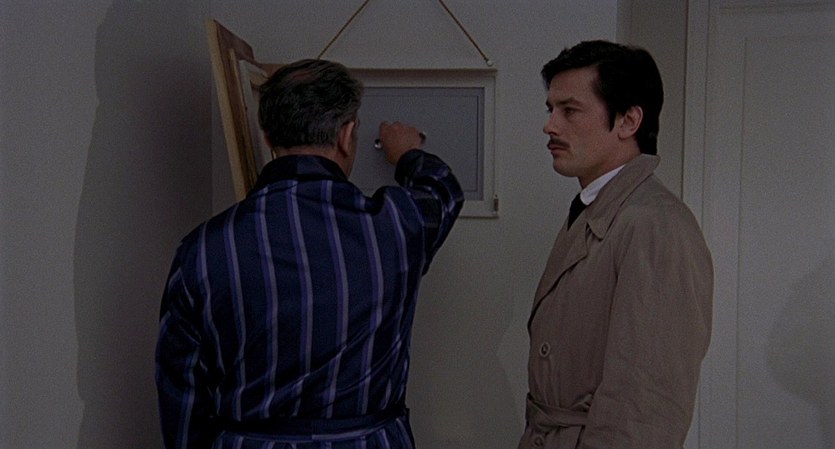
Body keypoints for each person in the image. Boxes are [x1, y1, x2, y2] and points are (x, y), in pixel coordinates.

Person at [155, 58, 463, 449]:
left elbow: (181, 393)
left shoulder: (203, 249)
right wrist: (407, 153)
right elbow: (442, 190)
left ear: (268, 137)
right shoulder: (395, 227)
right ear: (346, 135)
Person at [518, 41, 713, 449]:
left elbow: (646, 410)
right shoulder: (600, 208)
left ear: (628, 121)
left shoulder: (655, 226)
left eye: (569, 110)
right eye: (551, 109)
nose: (550, 126)